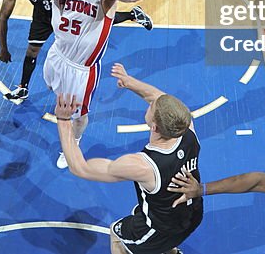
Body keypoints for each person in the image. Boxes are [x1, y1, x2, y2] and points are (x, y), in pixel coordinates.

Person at [0, 0, 141, 168]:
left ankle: (74, 142)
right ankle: (60, 102)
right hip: (57, 56)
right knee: (57, 95)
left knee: (77, 116)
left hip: (81, 70)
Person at [55, 63, 202, 254]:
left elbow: (80, 168)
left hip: (160, 229)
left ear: (154, 127)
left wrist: (64, 121)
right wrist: (129, 81)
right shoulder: (186, 127)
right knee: (149, 216)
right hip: (193, 214)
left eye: (151, 107)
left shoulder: (142, 166)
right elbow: (159, 98)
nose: (151, 102)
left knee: (116, 233)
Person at [0, 0, 154, 102]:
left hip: (75, 36)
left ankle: (132, 14)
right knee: (32, 51)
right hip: (46, 23)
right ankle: (23, 86)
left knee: (99, 18)